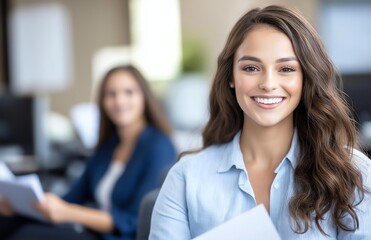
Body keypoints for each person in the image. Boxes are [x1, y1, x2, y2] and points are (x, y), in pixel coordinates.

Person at [149, 5, 371, 239]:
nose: (267, 83)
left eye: (286, 68)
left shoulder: (353, 173)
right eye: (251, 68)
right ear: (231, 77)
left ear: (306, 78)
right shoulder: (186, 177)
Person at [0, 65, 176, 240]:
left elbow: (133, 221)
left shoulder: (159, 146)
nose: (119, 101)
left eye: (129, 92)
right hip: (89, 230)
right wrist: (22, 206)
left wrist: (68, 213)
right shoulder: (108, 146)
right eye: (111, 94)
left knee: (26, 235)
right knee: (7, 221)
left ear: (144, 97)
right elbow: (72, 198)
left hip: (118, 237)